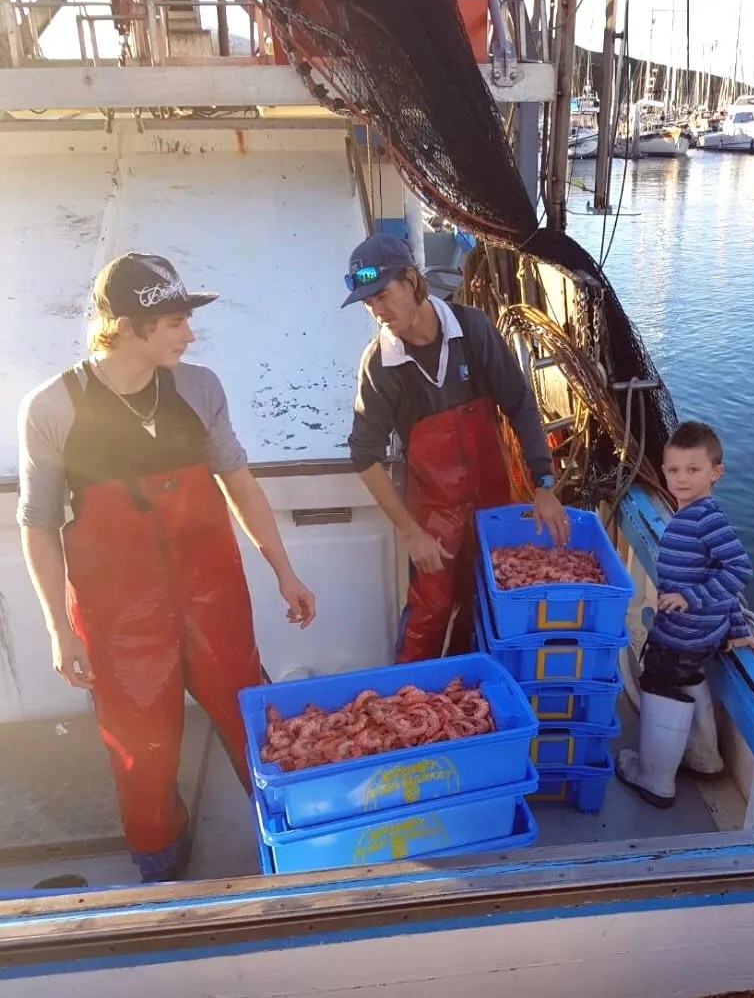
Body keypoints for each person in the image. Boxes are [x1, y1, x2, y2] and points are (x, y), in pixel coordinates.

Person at [16, 252, 316, 884]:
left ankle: (296, 844)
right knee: (143, 761)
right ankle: (164, 875)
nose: (190, 334)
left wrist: (284, 570)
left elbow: (237, 479)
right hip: (119, 622)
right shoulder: (52, 409)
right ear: (125, 327)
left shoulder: (198, 387)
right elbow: (38, 525)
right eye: (175, 322)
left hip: (214, 600)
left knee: (253, 724)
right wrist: (57, 631)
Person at [343, 233, 569, 663]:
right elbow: (365, 454)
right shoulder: (379, 364)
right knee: (431, 609)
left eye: (382, 295)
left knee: (482, 601)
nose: (377, 310)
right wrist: (412, 532)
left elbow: (519, 403)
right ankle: (408, 708)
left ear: (411, 279)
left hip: (491, 502)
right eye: (368, 303)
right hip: (433, 514)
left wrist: (543, 484)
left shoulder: (473, 329)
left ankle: (467, 695)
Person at [618, 420, 754, 809]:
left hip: (681, 635)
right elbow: (721, 576)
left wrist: (689, 599)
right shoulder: (692, 515)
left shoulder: (706, 519)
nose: (681, 479)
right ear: (663, 471)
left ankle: (655, 779)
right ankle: (706, 759)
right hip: (700, 638)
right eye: (674, 470)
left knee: (660, 685)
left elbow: (738, 569)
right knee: (687, 680)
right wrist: (736, 628)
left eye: (693, 470)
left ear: (716, 473)